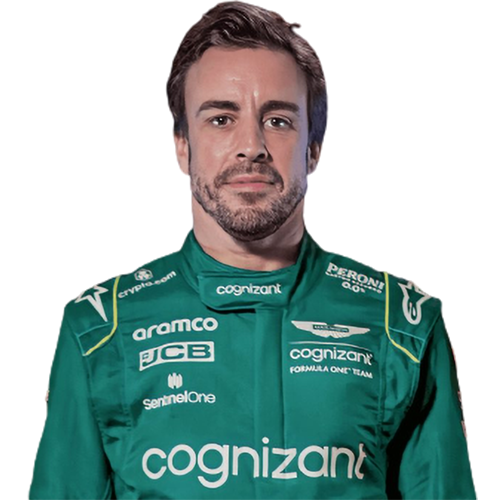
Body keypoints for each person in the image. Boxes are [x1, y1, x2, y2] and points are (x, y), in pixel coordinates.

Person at [30, 4, 475, 499]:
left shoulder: (403, 326)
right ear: (183, 147)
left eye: (278, 120)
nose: (251, 146)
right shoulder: (99, 329)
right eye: (221, 118)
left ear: (312, 150)